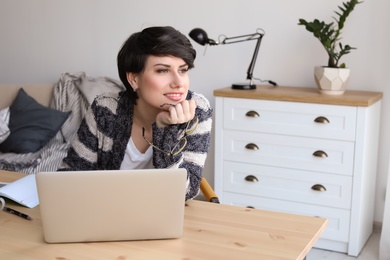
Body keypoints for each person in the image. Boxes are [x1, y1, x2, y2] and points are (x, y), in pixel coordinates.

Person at [58, 26, 213, 200]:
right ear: (134, 79)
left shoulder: (197, 110)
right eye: (163, 70)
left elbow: (186, 191)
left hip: (163, 215)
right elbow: (70, 175)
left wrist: (166, 130)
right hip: (108, 212)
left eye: (183, 70)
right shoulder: (106, 109)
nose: (179, 82)